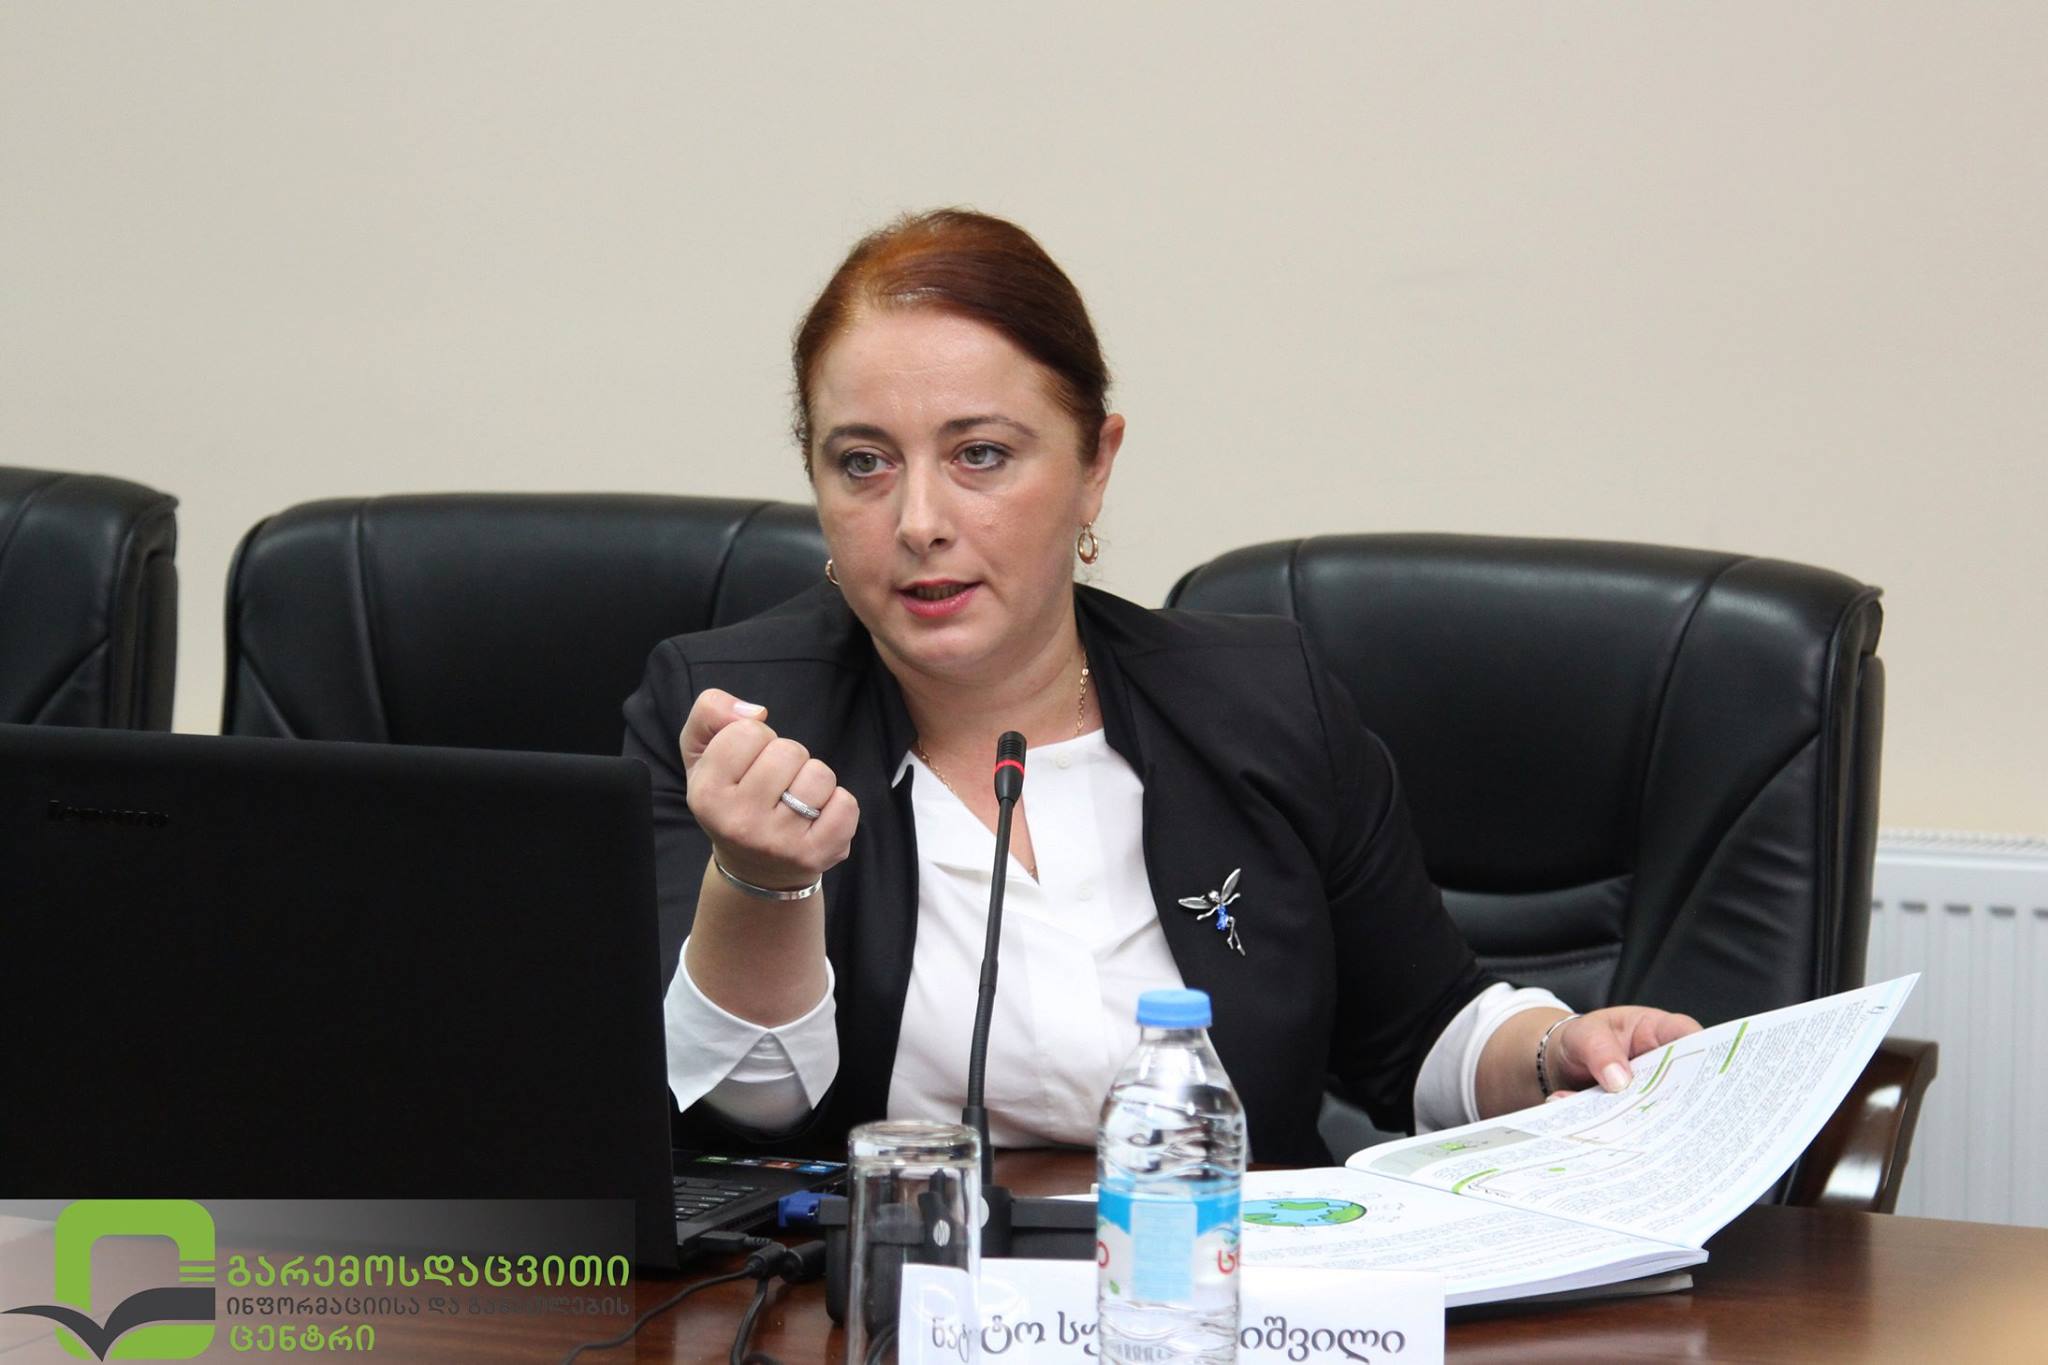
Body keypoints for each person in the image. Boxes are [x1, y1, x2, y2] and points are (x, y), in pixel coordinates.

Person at [622, 209, 1698, 1164]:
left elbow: (1418, 1034)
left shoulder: (1262, 703)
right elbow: (733, 1115)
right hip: (888, 1288)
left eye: (980, 455)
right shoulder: (731, 723)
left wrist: (1561, 1050)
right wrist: (760, 882)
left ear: (1095, 465)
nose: (919, 522)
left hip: (1232, 1279)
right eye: (863, 461)